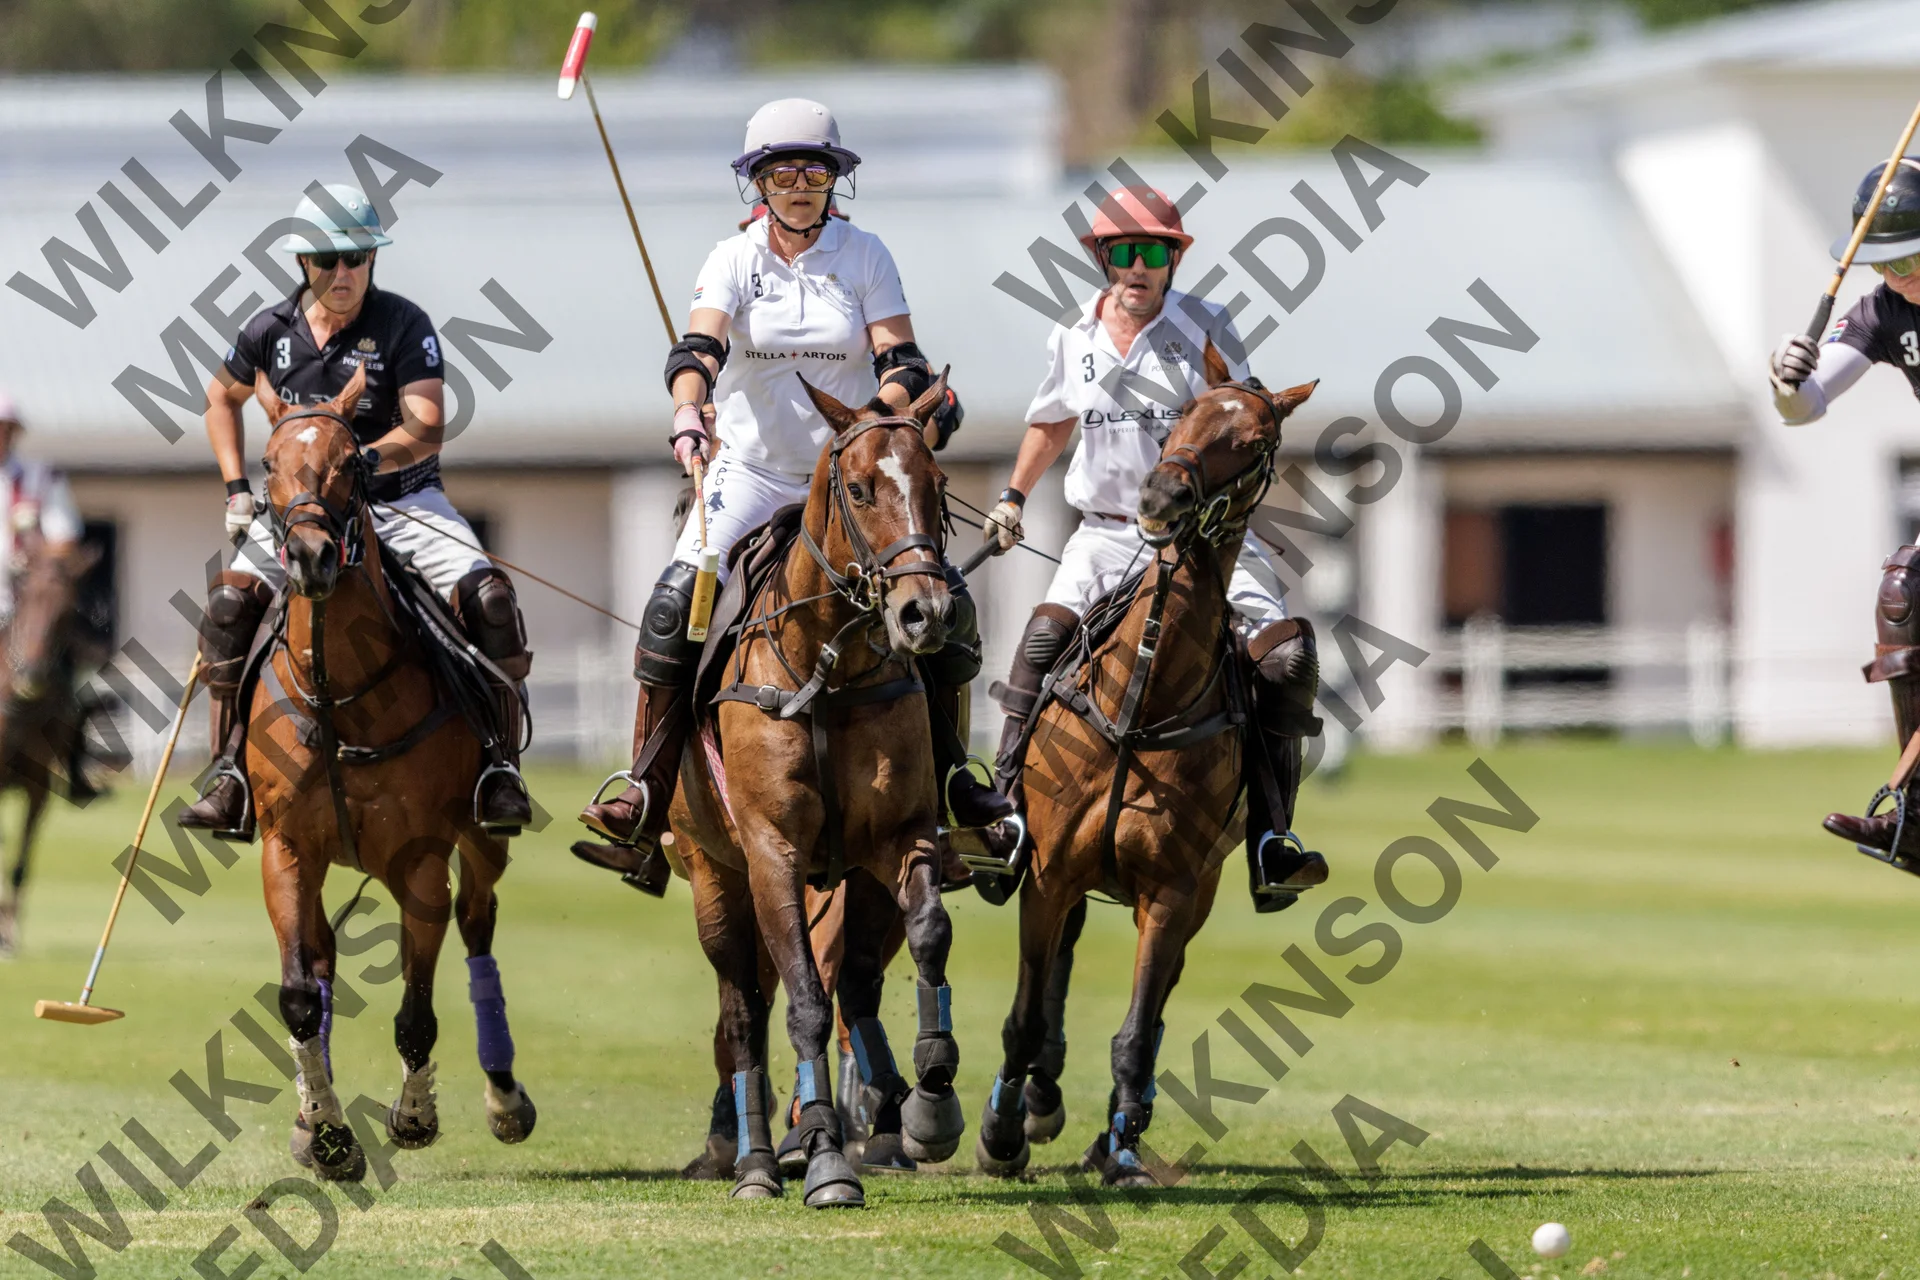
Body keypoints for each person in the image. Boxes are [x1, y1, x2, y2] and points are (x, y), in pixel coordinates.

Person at [574, 97, 998, 891]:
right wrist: (689, 411)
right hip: (752, 474)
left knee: (951, 609)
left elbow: (901, 360)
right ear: (758, 182)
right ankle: (645, 792)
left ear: (834, 178)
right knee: (674, 605)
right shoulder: (733, 260)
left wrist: (880, 420)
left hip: (847, 480)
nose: (799, 185)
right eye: (781, 172)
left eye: (813, 170)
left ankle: (953, 788)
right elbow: (697, 350)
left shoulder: (864, 254)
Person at [979, 186, 1322, 911]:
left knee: (1285, 658)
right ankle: (1005, 811)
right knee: (1042, 641)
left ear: (1173, 261)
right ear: (1105, 259)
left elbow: (1240, 412)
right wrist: (1012, 497)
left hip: (1202, 535)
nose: (1140, 266)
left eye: (1155, 253)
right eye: (1126, 252)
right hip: (1106, 532)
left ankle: (1272, 837)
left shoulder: (1207, 324)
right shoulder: (1073, 335)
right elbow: (1051, 423)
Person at [176, 183, 533, 839]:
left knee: (491, 602)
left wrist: (364, 460)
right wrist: (236, 488)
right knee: (226, 610)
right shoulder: (268, 331)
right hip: (303, 516)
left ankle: (499, 768)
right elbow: (220, 399)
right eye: (326, 259)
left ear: (372, 260)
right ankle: (228, 774)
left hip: (401, 501)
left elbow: (426, 424)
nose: (342, 273)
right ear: (302, 262)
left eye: (357, 258)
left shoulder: (402, 324)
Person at [1774, 159, 1920, 861]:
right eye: (1884, 262)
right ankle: (1916, 820)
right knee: (1903, 592)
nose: (1897, 275)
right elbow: (1806, 406)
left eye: (1910, 258)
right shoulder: (1883, 311)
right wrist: (1786, 381)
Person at [0, 393, 117, 799]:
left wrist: (33, 548)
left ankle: (75, 763)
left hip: (29, 602)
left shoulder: (42, 478)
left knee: (68, 668)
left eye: (5, 429)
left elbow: (65, 539)